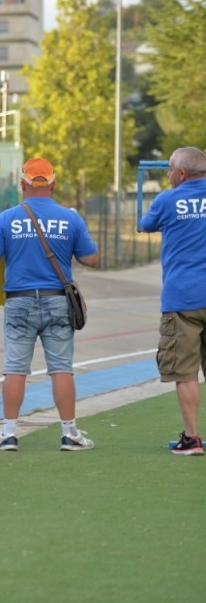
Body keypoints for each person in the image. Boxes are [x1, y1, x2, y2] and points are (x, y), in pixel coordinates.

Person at [0, 157, 99, 452]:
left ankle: (8, 434)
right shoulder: (70, 218)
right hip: (57, 301)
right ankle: (70, 434)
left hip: (18, 303)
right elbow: (91, 260)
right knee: (61, 369)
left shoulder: (6, 219)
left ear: (22, 184)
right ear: (53, 184)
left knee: (15, 369)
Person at [139, 147, 206, 455]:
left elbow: (145, 225)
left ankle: (192, 438)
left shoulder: (168, 199)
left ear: (180, 174)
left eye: (169, 170)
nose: (168, 175)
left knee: (185, 370)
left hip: (184, 298)